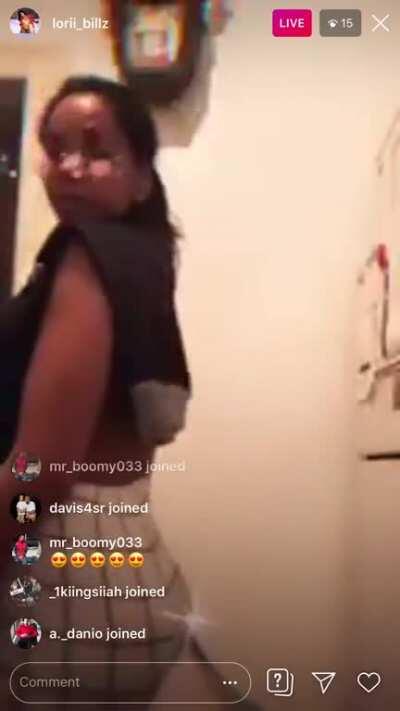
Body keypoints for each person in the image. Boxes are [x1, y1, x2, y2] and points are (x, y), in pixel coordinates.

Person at [0, 76, 231, 707]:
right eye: (56, 149)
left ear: (142, 177)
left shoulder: (88, 256)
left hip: (66, 582)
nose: (70, 167)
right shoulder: (140, 261)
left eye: (98, 150)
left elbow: (41, 471)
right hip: (123, 566)